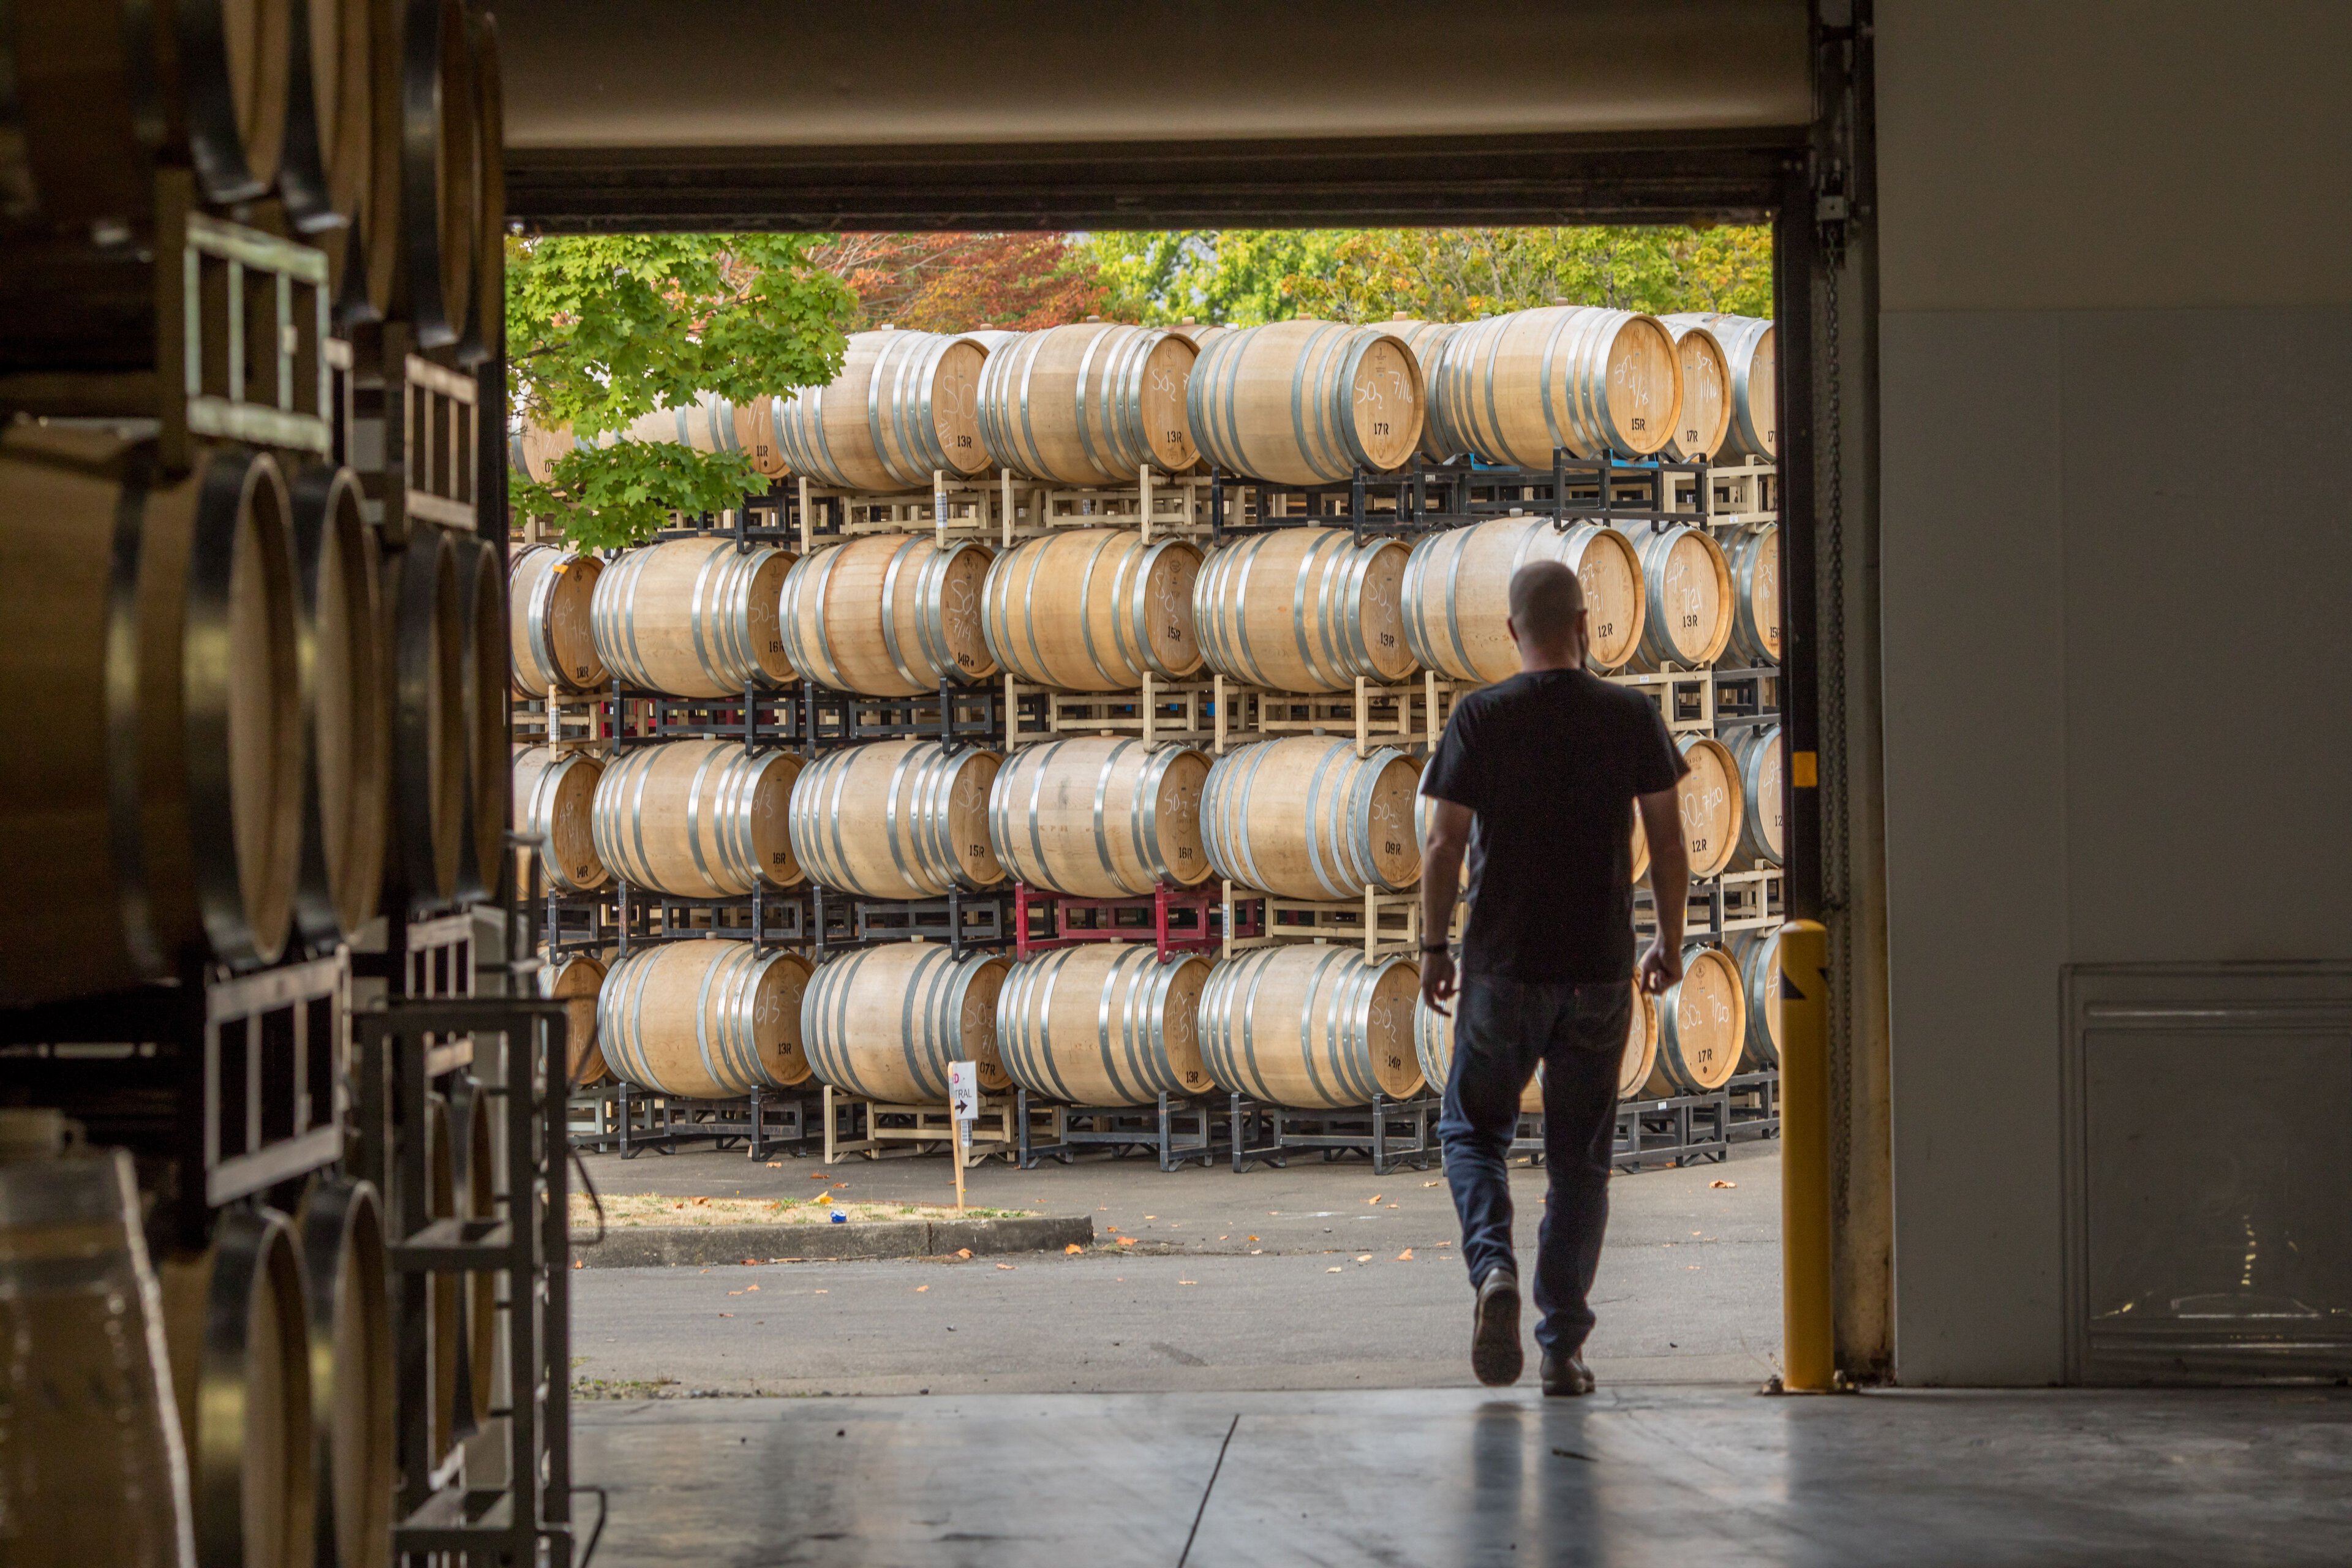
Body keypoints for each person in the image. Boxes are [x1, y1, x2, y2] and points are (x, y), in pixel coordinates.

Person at [1417, 558, 1691, 1395]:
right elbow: (1671, 844)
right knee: (1579, 1163)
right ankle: (1562, 1350)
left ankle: (1492, 1270)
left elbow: (1443, 846)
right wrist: (1669, 945)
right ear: (1585, 624)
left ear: (1511, 632)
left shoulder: (1480, 718)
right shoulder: (1629, 715)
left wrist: (1434, 948)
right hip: (1600, 972)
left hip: (1503, 967)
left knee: (1472, 1132)